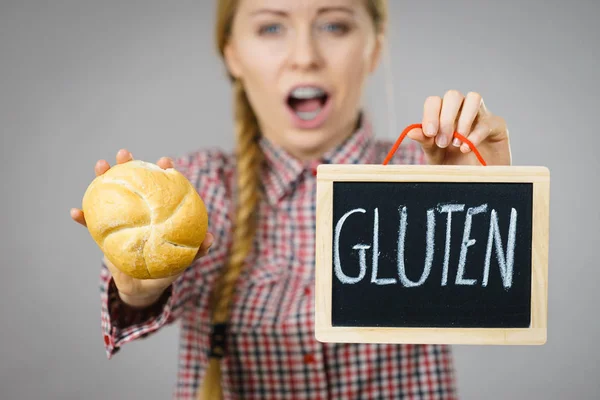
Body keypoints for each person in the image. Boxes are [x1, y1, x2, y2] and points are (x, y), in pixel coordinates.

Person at [70, 0, 511, 398]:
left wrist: (485, 206)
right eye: (271, 28)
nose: (304, 57)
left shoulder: (428, 176)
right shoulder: (199, 188)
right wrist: (138, 285)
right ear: (233, 54)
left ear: (374, 49)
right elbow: (140, 309)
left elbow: (496, 308)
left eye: (335, 26)